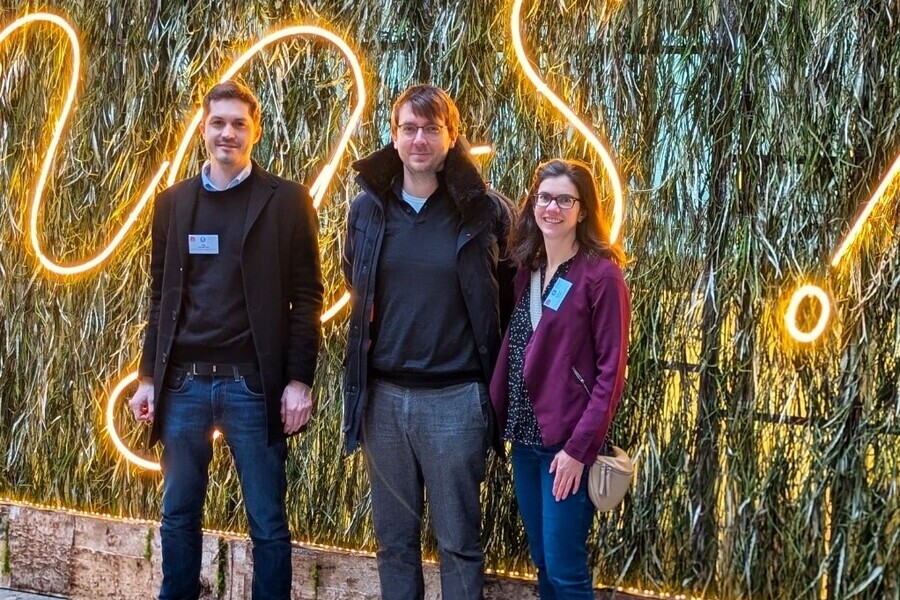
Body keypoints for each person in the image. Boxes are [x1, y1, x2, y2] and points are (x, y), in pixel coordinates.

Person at [128, 80, 324, 600]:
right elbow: (160, 297)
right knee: (178, 516)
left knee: (267, 522)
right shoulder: (174, 203)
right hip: (184, 387)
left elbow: (307, 298)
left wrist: (299, 380)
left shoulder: (286, 201)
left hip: (253, 387)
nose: (228, 133)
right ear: (203, 128)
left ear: (255, 131)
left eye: (239, 123)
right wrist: (149, 377)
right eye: (218, 122)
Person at [341, 84, 513, 600]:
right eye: (409, 129)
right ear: (393, 138)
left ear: (451, 137)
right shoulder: (367, 210)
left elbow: (506, 297)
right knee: (394, 542)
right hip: (385, 399)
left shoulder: (486, 211)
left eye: (431, 128)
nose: (419, 139)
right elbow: (356, 278)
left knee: (459, 543)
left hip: (456, 401)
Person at [489, 159, 630, 599]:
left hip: (565, 448)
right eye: (544, 198)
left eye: (565, 200)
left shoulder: (601, 276)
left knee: (567, 570)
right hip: (526, 442)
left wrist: (577, 450)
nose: (552, 207)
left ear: (583, 210)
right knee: (544, 562)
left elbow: (611, 374)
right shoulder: (527, 270)